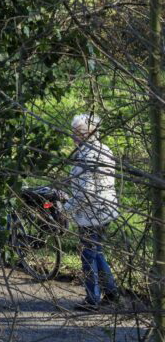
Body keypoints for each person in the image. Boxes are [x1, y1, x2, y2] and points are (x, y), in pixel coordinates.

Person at [62, 113, 120, 313]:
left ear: (87, 134)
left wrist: (65, 210)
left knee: (88, 256)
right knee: (97, 253)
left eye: (76, 133)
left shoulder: (87, 155)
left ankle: (92, 299)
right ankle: (111, 293)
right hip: (106, 211)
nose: (73, 137)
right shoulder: (103, 149)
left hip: (91, 214)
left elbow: (85, 193)